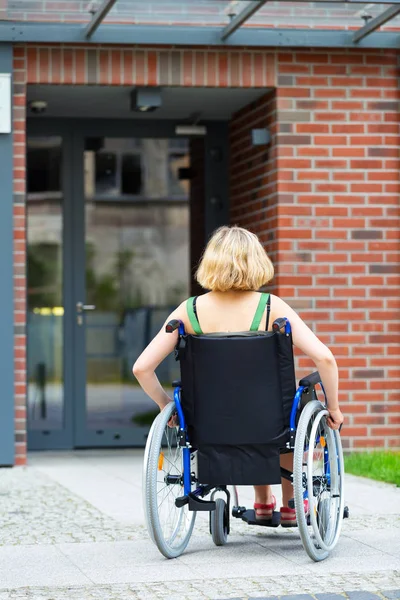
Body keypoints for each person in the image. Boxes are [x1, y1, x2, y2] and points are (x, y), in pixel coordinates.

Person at [133, 225, 344, 526]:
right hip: (268, 423)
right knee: (290, 418)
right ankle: (288, 505)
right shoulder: (272, 308)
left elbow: (141, 368)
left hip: (209, 424)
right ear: (256, 262)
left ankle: (261, 502)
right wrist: (333, 408)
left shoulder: (188, 311)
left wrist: (165, 404)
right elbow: (324, 358)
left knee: (263, 414)